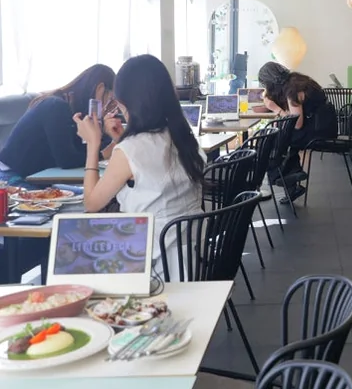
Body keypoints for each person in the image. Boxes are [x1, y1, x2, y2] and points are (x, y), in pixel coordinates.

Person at [74, 55, 205, 281]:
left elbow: (91, 203)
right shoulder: (182, 137)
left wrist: (93, 144)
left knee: (73, 246)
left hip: (148, 267)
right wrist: (120, 140)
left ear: (125, 102)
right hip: (190, 261)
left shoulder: (131, 150)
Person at [0, 64, 120, 179]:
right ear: (100, 89)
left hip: (36, 175)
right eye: (111, 100)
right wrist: (105, 153)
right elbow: (67, 160)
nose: (109, 107)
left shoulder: (73, 110)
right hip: (12, 177)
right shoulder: (56, 106)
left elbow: (82, 150)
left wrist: (105, 134)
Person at [259, 61, 337, 201]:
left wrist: (275, 108)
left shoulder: (292, 90)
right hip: (325, 127)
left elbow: (297, 124)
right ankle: (290, 177)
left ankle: (282, 177)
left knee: (275, 139)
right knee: (283, 138)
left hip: (318, 133)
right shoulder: (298, 80)